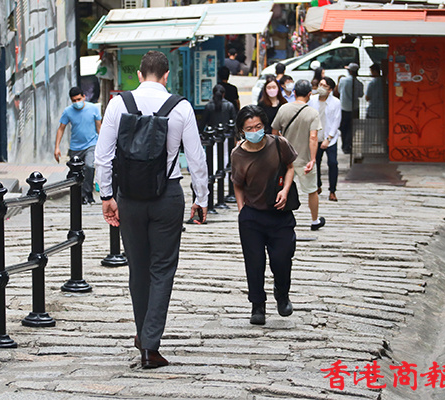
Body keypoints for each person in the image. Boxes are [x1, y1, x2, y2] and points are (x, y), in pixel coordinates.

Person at [95, 50, 209, 369]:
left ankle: (143, 333)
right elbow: (196, 157)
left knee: (138, 267)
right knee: (162, 269)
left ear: (139, 75)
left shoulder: (118, 103)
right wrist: (201, 198)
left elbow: (103, 155)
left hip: (129, 197)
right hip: (167, 195)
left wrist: (107, 196)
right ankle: (150, 344)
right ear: (166, 75)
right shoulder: (181, 107)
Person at [232, 105, 297, 325]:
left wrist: (285, 191)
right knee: (254, 262)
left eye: (258, 126)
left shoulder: (279, 144)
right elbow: (238, 184)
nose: (254, 131)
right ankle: (257, 304)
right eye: (249, 128)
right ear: (242, 130)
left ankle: (282, 293)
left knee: (282, 259)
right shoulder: (238, 154)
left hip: (279, 213)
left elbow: (290, 167)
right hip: (252, 216)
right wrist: (242, 209)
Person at [271, 79, 325, 231]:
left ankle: (276, 217)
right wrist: (313, 159)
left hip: (285, 159)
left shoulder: (283, 109)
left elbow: (274, 133)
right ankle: (314, 220)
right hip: (304, 159)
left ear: (294, 93)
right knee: (312, 191)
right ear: (309, 94)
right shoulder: (312, 113)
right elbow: (313, 137)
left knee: (281, 188)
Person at [54, 87, 101, 204]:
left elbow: (99, 128)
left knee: (89, 166)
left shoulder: (93, 109)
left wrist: (103, 145)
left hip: (91, 144)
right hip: (75, 147)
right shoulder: (68, 111)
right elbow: (61, 129)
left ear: (84, 97)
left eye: (79, 99)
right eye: (74, 100)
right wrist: (57, 147)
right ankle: (80, 196)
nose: (77, 102)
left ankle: (88, 193)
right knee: (77, 172)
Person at [308, 77, 341, 202]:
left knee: (333, 163)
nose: (321, 88)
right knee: (315, 162)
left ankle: (332, 190)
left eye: (325, 86)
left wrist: (329, 138)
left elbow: (336, 121)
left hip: (330, 138)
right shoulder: (312, 100)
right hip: (315, 137)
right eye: (320, 84)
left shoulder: (335, 102)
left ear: (330, 90)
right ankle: (317, 185)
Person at [338, 63, 363, 154]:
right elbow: (360, 95)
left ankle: (344, 144)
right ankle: (348, 145)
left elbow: (339, 90)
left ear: (350, 71)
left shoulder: (343, 80)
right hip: (354, 108)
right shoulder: (359, 83)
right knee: (352, 128)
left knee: (343, 127)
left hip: (344, 107)